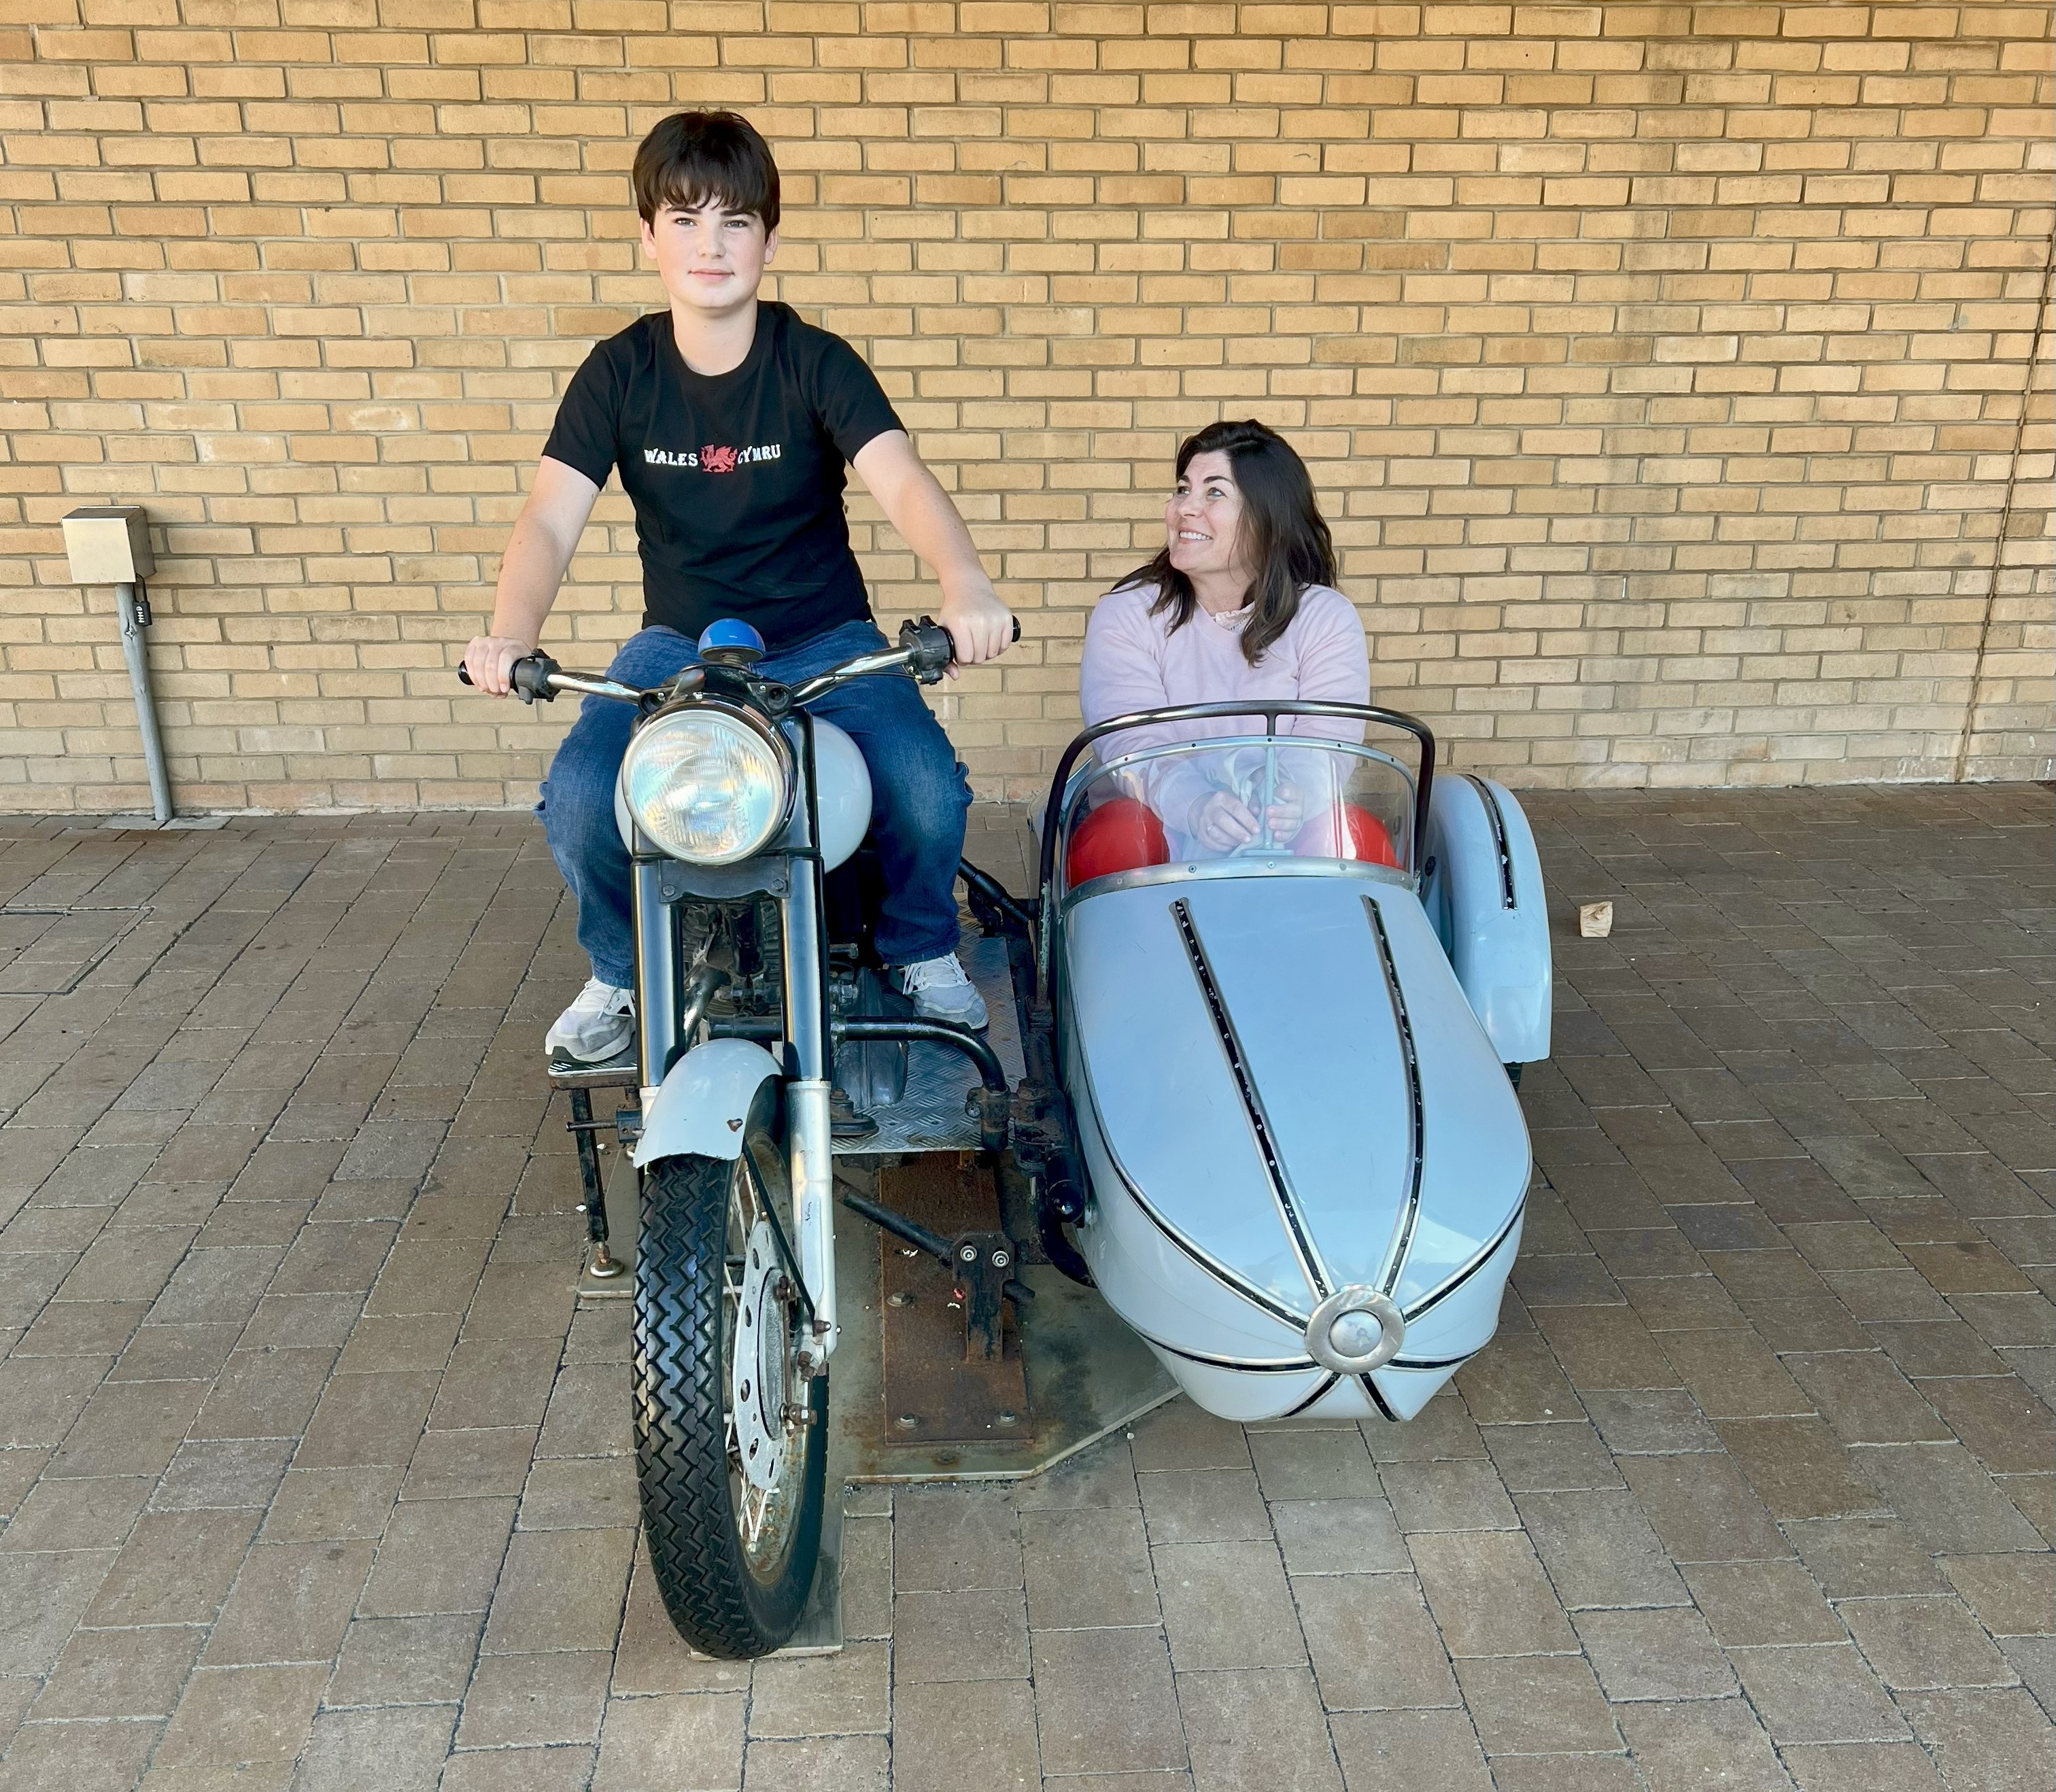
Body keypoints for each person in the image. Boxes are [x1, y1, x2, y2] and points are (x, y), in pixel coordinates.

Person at [462, 111, 1012, 1062]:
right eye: (684, 220)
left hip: (829, 637)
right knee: (586, 794)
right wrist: (510, 633)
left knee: (925, 789)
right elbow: (551, 516)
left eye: (736, 221)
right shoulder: (618, 372)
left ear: (769, 236)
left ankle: (922, 952)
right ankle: (621, 973)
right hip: (680, 643)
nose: (710, 245)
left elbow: (903, 480)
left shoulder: (814, 360)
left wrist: (965, 587)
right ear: (647, 236)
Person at [1076, 419, 1374, 864]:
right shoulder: (1128, 614)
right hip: (1157, 821)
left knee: (1359, 838)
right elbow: (1131, 746)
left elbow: (1329, 747)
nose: (1184, 509)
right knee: (1117, 840)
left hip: (1281, 832)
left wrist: (1292, 797)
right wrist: (1195, 806)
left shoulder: (1325, 617)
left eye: (1213, 492)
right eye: (1183, 489)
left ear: (1268, 520)